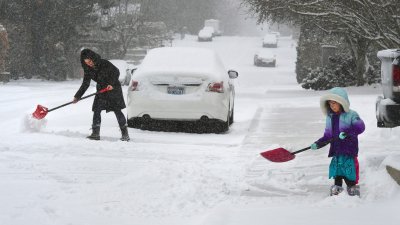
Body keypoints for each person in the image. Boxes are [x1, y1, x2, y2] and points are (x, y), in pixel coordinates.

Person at [310, 87, 365, 196]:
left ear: (341, 102)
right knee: (337, 174)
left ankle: (353, 193)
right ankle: (336, 195)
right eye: (330, 103)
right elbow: (328, 136)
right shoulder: (330, 117)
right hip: (336, 151)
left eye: (334, 103)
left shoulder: (351, 115)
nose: (332, 106)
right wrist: (318, 143)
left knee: (349, 174)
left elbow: (360, 127)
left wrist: (347, 133)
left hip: (348, 151)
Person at [73, 48, 130, 141]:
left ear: (93, 58)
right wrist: (77, 96)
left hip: (113, 89)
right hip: (101, 90)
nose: (89, 63)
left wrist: (111, 83)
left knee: (117, 110)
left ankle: (125, 134)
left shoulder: (104, 63)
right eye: (86, 62)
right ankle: (95, 133)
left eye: (90, 61)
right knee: (96, 110)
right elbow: (85, 84)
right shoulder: (88, 69)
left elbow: (116, 72)